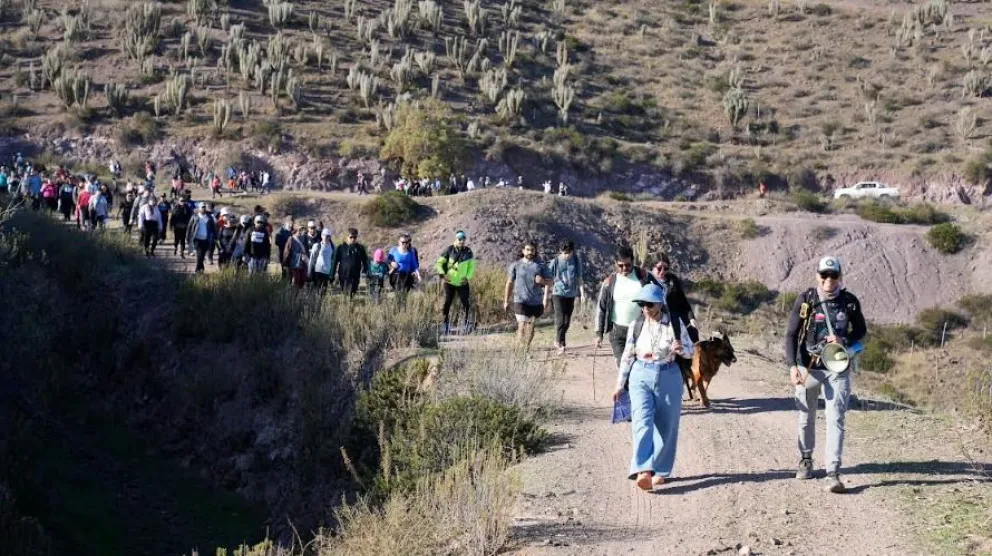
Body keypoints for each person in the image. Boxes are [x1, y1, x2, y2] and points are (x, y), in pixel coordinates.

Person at [785, 256, 866, 494]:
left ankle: (833, 473)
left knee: (836, 418)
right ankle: (806, 459)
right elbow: (791, 334)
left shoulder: (850, 302)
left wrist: (844, 339)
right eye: (824, 275)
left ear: (840, 276)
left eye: (833, 275)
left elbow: (860, 330)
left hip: (837, 368)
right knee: (805, 416)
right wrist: (792, 366)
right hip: (807, 366)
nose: (829, 280)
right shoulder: (806, 300)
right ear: (817, 275)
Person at [613, 283, 694, 491]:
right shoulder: (636, 324)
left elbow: (691, 352)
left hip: (668, 375)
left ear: (660, 304)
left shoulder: (674, 324)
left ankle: (660, 470)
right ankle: (643, 469)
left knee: (667, 426)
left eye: (649, 304)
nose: (645, 308)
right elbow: (627, 355)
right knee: (641, 422)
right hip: (640, 374)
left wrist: (681, 348)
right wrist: (620, 384)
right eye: (641, 304)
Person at [595, 246, 661, 366]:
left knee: (639, 365)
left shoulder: (643, 276)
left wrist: (659, 317)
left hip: (640, 329)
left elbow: (660, 294)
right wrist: (599, 333)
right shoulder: (610, 282)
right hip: (617, 331)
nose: (624, 268)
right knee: (623, 365)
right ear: (615, 264)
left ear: (632, 262)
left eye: (628, 265)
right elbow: (601, 307)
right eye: (621, 266)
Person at [503, 241, 551, 349]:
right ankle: (519, 350)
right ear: (523, 251)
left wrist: (542, 281)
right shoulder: (516, 265)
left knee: (530, 327)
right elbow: (509, 283)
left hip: (535, 302)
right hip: (520, 300)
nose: (530, 252)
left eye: (532, 250)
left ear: (535, 251)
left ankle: (526, 349)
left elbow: (551, 282)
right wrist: (506, 301)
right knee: (522, 325)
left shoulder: (541, 266)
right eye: (528, 250)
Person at [545, 240, 584, 354]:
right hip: (557, 293)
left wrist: (582, 293)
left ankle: (561, 340)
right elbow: (548, 279)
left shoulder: (576, 260)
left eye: (568, 253)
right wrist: (546, 296)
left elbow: (579, 277)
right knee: (561, 319)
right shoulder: (555, 261)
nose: (566, 255)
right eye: (564, 253)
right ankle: (559, 342)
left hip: (571, 294)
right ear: (560, 251)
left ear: (572, 251)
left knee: (567, 322)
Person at [435, 231, 476, 335]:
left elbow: (471, 267)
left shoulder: (468, 251)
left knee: (465, 303)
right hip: (449, 282)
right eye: (460, 239)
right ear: (456, 239)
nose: (462, 241)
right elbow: (439, 263)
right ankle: (445, 324)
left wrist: (468, 277)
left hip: (462, 282)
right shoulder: (449, 250)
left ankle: (466, 324)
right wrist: (443, 275)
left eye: (463, 239)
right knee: (447, 302)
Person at [653, 255, 699, 344]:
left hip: (674, 321)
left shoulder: (672, 280)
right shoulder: (647, 281)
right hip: (656, 322)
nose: (662, 271)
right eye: (659, 268)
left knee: (691, 337)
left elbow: (683, 302)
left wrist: (691, 318)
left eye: (665, 268)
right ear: (653, 267)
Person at [331, 228, 370, 297]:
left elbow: (365, 261)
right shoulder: (341, 247)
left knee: (352, 294)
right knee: (346, 293)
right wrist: (332, 275)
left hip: (355, 276)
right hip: (344, 275)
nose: (353, 239)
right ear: (347, 237)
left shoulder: (360, 248)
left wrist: (365, 272)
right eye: (351, 237)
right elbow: (335, 262)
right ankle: (346, 305)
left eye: (355, 237)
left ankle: (349, 306)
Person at [185, 203, 217, 273]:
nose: (203, 208)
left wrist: (215, 236)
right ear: (199, 208)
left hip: (206, 239)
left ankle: (201, 268)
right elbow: (189, 227)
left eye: (204, 207)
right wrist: (187, 237)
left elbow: (214, 227)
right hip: (197, 239)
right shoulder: (195, 217)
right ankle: (198, 269)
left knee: (202, 255)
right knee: (199, 254)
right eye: (202, 207)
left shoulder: (209, 217)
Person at [308, 228, 335, 294]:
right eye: (324, 235)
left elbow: (333, 261)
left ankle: (320, 303)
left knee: (323, 292)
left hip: (327, 272)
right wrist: (309, 273)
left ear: (330, 237)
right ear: (321, 236)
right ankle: (315, 303)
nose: (326, 237)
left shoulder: (333, 247)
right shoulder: (316, 246)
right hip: (317, 271)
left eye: (328, 236)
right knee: (316, 291)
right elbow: (311, 260)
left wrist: (332, 274)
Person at [284, 225, 310, 290]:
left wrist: (306, 258)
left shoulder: (304, 238)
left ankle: (299, 297)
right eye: (299, 230)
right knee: (295, 281)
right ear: (295, 230)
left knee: (302, 280)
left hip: (302, 263)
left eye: (302, 230)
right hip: (294, 263)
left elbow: (306, 250)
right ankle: (293, 297)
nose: (301, 231)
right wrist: (285, 263)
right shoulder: (291, 238)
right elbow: (286, 252)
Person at [170, 193, 194, 258]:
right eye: (181, 201)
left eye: (183, 201)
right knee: (176, 240)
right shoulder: (175, 207)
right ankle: (175, 248)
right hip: (177, 226)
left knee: (182, 239)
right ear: (178, 201)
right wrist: (171, 226)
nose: (182, 202)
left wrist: (189, 224)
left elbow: (191, 215)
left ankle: (182, 252)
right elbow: (172, 217)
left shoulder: (187, 208)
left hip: (184, 226)